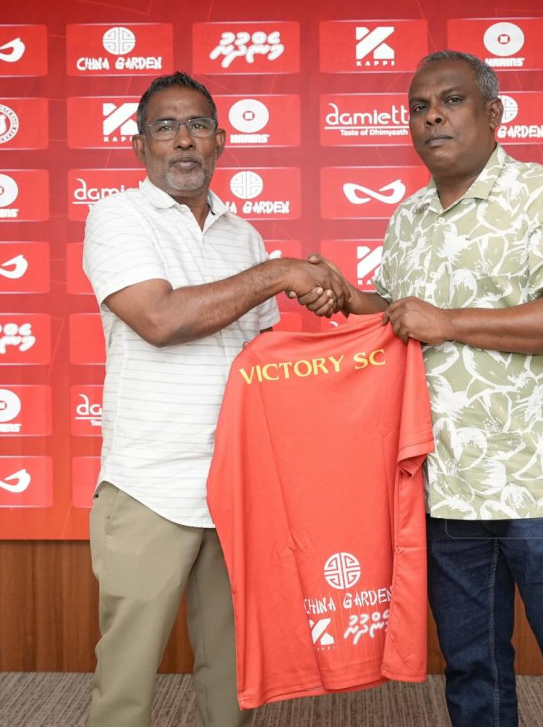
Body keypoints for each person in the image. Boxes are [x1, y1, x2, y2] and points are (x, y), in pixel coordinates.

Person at [298, 50, 543, 726]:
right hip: (447, 486)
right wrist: (346, 297)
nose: (432, 118)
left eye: (450, 101)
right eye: (419, 108)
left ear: (493, 112)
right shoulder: (408, 216)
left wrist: (447, 322)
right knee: (475, 679)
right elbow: (401, 314)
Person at [82, 71, 348, 727]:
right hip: (150, 483)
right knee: (126, 683)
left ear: (220, 141)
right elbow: (160, 319)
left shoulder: (242, 236)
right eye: (165, 127)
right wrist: (282, 272)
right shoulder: (117, 216)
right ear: (139, 145)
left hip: (235, 483)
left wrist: (347, 331)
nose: (183, 140)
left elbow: (261, 360)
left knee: (233, 673)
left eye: (197, 125)